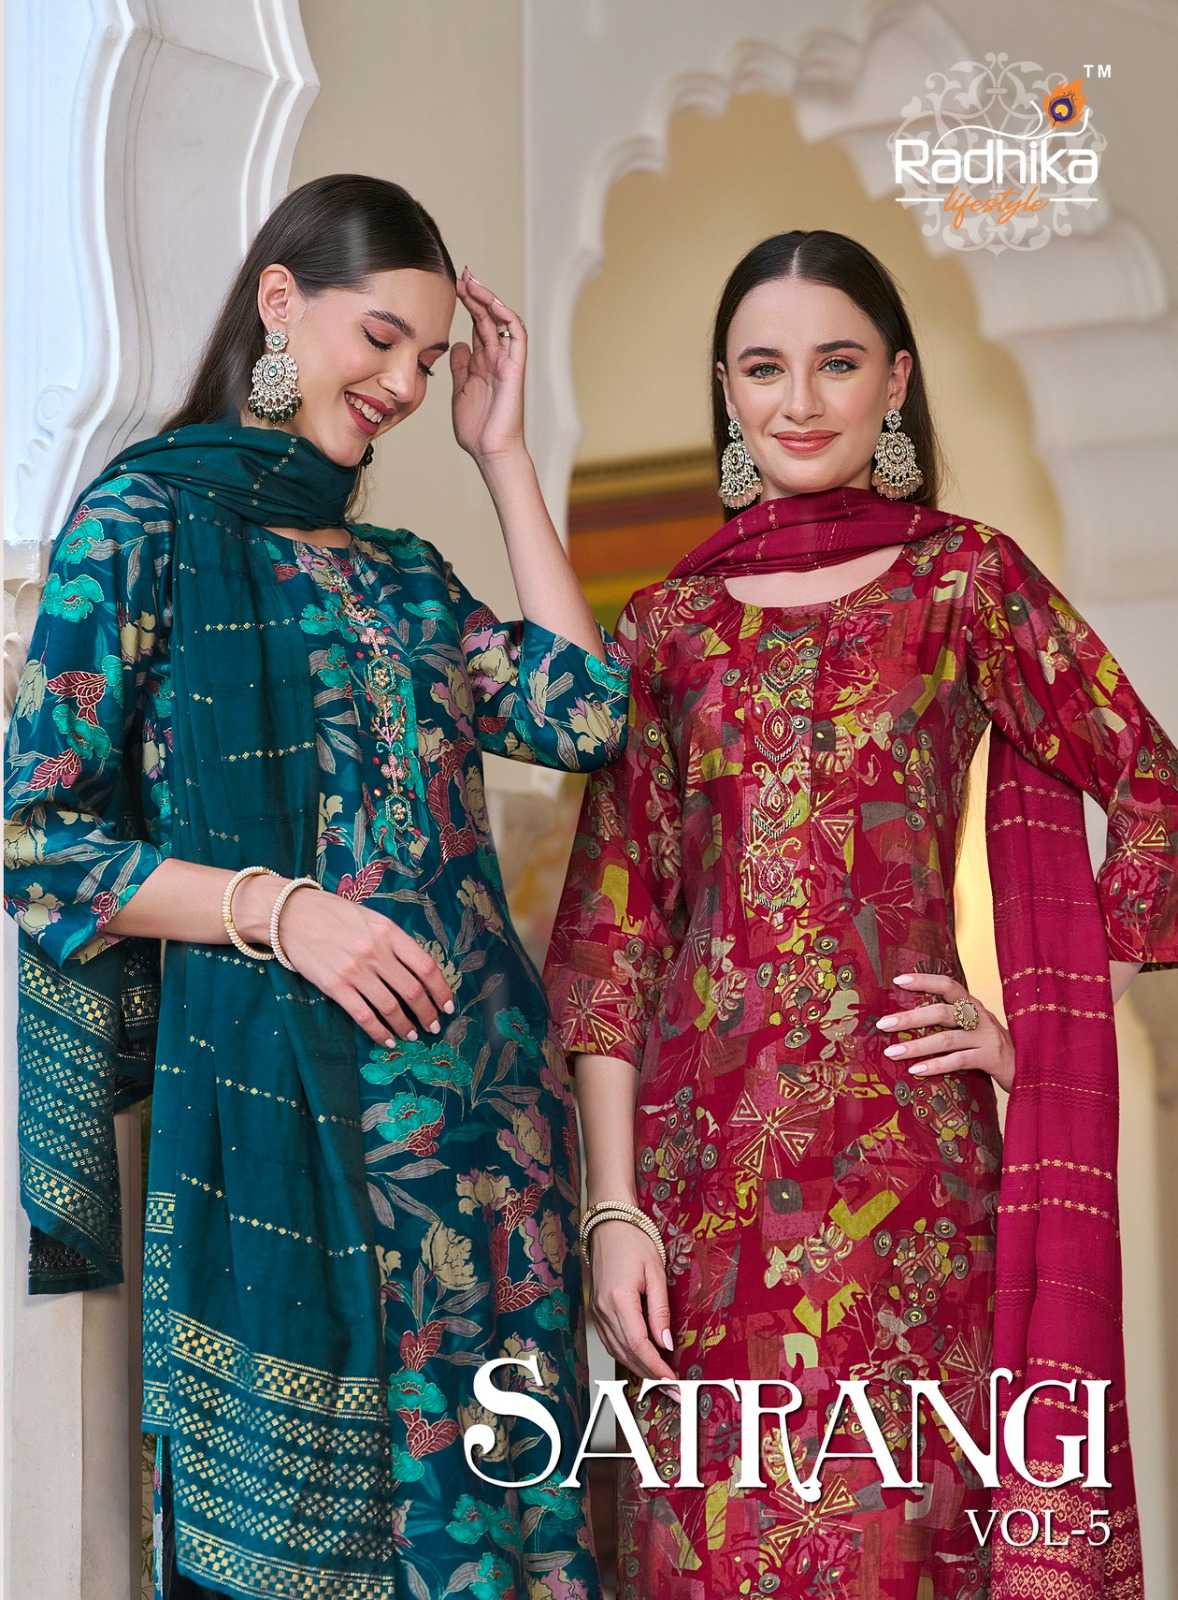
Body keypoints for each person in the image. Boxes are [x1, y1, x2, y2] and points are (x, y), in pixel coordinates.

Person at [4, 174, 627, 1600]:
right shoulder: (144, 526)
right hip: (292, 1127)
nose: (404, 383)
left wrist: (503, 455)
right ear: (281, 302)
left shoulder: (405, 576)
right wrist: (286, 912)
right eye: (381, 339)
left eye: (429, 357)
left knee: (500, 1552)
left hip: (491, 1152)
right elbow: (38, 837)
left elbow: (586, 715)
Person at [544, 228, 1178, 1599]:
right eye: (762, 368)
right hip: (698, 1191)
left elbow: (1152, 786)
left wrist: (1035, 1032)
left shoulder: (964, 583)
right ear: (726, 389)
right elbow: (610, 933)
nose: (798, 401)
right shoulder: (665, 630)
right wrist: (613, 1211)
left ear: (894, 381)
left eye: (835, 364)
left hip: (910, 1182)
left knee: (905, 1551)